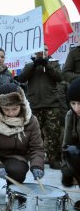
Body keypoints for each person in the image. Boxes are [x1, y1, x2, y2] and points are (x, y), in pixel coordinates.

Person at [18, 45, 62, 169]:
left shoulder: (54, 63)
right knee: (35, 134)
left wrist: (46, 65)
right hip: (35, 105)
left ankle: (54, 159)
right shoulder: (29, 65)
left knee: (53, 133)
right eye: (40, 49)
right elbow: (22, 78)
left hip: (52, 104)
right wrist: (34, 65)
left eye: (46, 50)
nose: (43, 52)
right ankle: (36, 159)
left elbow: (59, 77)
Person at [61, 78, 80, 210]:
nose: (76, 108)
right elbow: (66, 146)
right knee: (73, 153)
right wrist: (66, 171)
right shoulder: (70, 115)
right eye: (73, 103)